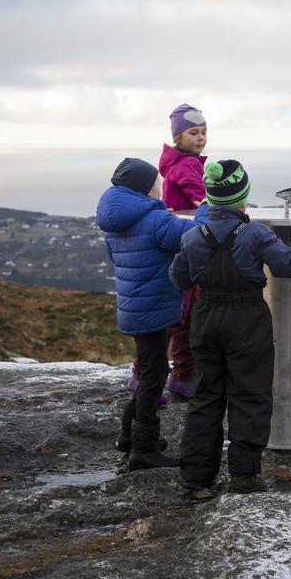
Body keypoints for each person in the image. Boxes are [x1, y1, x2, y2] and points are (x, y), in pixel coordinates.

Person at [170, 159, 291, 499]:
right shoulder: (255, 233)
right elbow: (289, 265)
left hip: (205, 318)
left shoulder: (194, 236)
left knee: (205, 398)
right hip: (247, 320)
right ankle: (245, 476)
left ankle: (196, 480)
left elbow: (179, 277)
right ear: (242, 198)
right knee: (249, 395)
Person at [96, 157, 209, 471]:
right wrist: (205, 210)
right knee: (154, 376)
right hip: (155, 309)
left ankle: (129, 436)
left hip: (134, 308)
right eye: (156, 182)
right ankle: (144, 448)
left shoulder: (119, 222)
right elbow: (196, 237)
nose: (161, 186)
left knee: (150, 370)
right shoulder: (155, 221)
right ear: (145, 189)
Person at [125, 103, 208, 402]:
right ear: (178, 137)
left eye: (203, 132)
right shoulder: (186, 165)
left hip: (180, 248)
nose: (200, 138)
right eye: (193, 133)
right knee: (178, 319)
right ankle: (154, 377)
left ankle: (174, 377)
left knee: (183, 318)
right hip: (184, 249)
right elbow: (202, 198)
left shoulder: (178, 162)